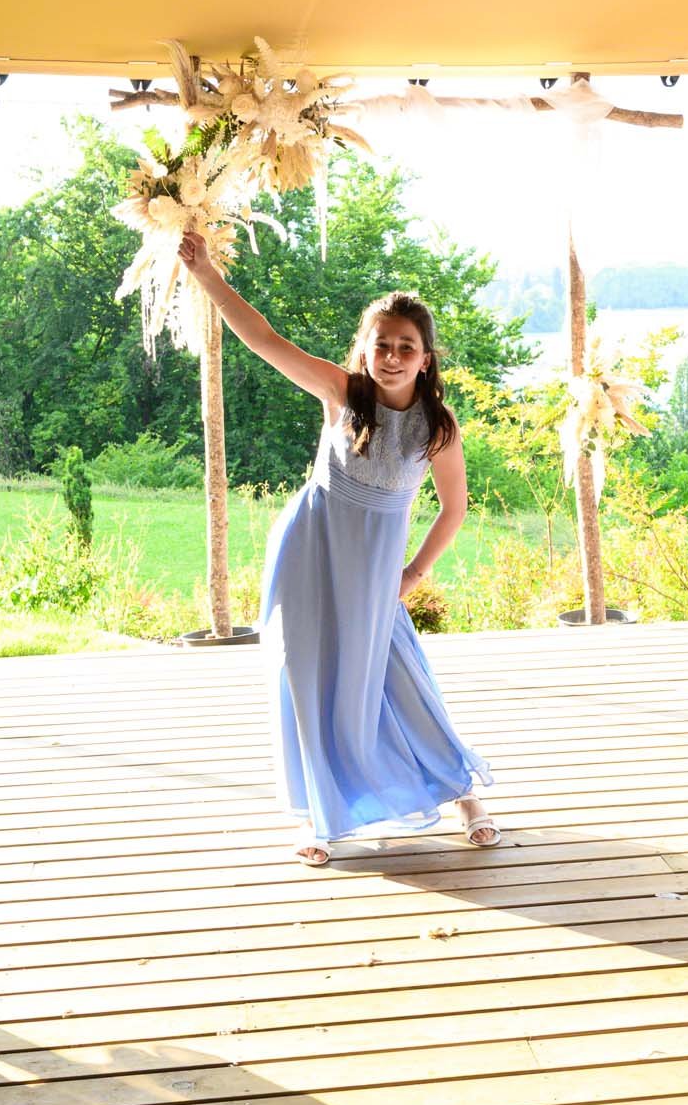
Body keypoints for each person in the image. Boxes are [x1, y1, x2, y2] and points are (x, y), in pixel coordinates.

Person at [175, 231, 496, 865]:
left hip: (376, 569)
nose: (392, 356)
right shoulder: (342, 393)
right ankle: (314, 816)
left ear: (426, 359)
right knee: (305, 671)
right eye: (382, 344)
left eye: (406, 347)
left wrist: (413, 574)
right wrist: (207, 275)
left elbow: (454, 509)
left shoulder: (437, 426)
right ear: (365, 348)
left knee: (396, 675)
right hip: (310, 550)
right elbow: (265, 340)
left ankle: (464, 795)